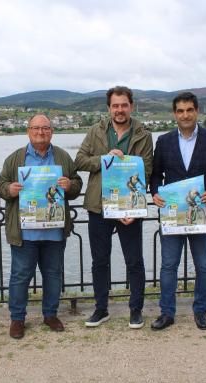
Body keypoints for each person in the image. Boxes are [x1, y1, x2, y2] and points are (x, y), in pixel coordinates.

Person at [150, 92, 206, 331]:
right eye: (180, 111)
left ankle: (201, 311)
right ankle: (167, 313)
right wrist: (155, 192)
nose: (185, 115)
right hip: (173, 214)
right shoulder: (164, 141)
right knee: (168, 266)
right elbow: (156, 174)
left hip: (202, 214)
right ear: (174, 114)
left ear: (197, 111)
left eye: (189, 110)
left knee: (203, 265)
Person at [0, 114, 82, 339]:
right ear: (28, 131)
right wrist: (10, 190)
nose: (41, 132)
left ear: (52, 131)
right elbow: (0, 184)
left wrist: (70, 184)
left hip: (54, 231)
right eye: (36, 128)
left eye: (45, 128)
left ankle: (50, 314)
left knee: (53, 275)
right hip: (25, 232)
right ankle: (17, 319)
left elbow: (77, 185)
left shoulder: (62, 157)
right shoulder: (15, 158)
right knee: (20, 276)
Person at [75, 86, 153, 329]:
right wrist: (104, 159)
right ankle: (101, 309)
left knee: (134, 261)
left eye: (124, 105)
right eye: (115, 105)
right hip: (99, 207)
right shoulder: (96, 130)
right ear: (109, 108)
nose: (120, 110)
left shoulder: (143, 134)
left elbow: (146, 171)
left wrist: (133, 208)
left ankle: (136, 310)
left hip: (129, 208)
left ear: (131, 106)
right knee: (100, 260)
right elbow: (79, 160)